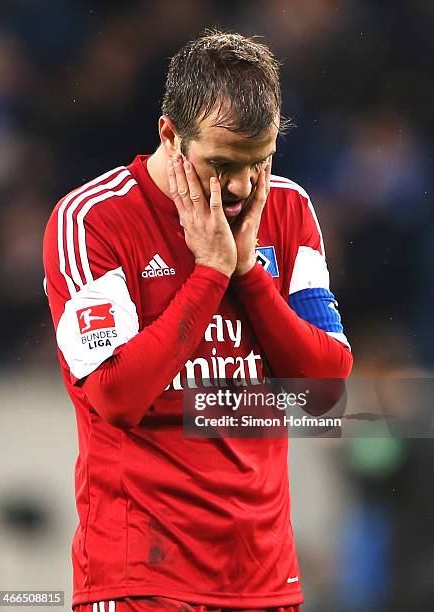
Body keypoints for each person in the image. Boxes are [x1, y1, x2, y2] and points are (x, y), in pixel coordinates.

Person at [43, 30, 352, 612]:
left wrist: (250, 277)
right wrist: (209, 275)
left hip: (264, 578)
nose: (239, 186)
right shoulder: (93, 221)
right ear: (169, 134)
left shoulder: (287, 208)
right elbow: (114, 395)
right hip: (143, 578)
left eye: (257, 163)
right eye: (220, 163)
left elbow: (326, 389)